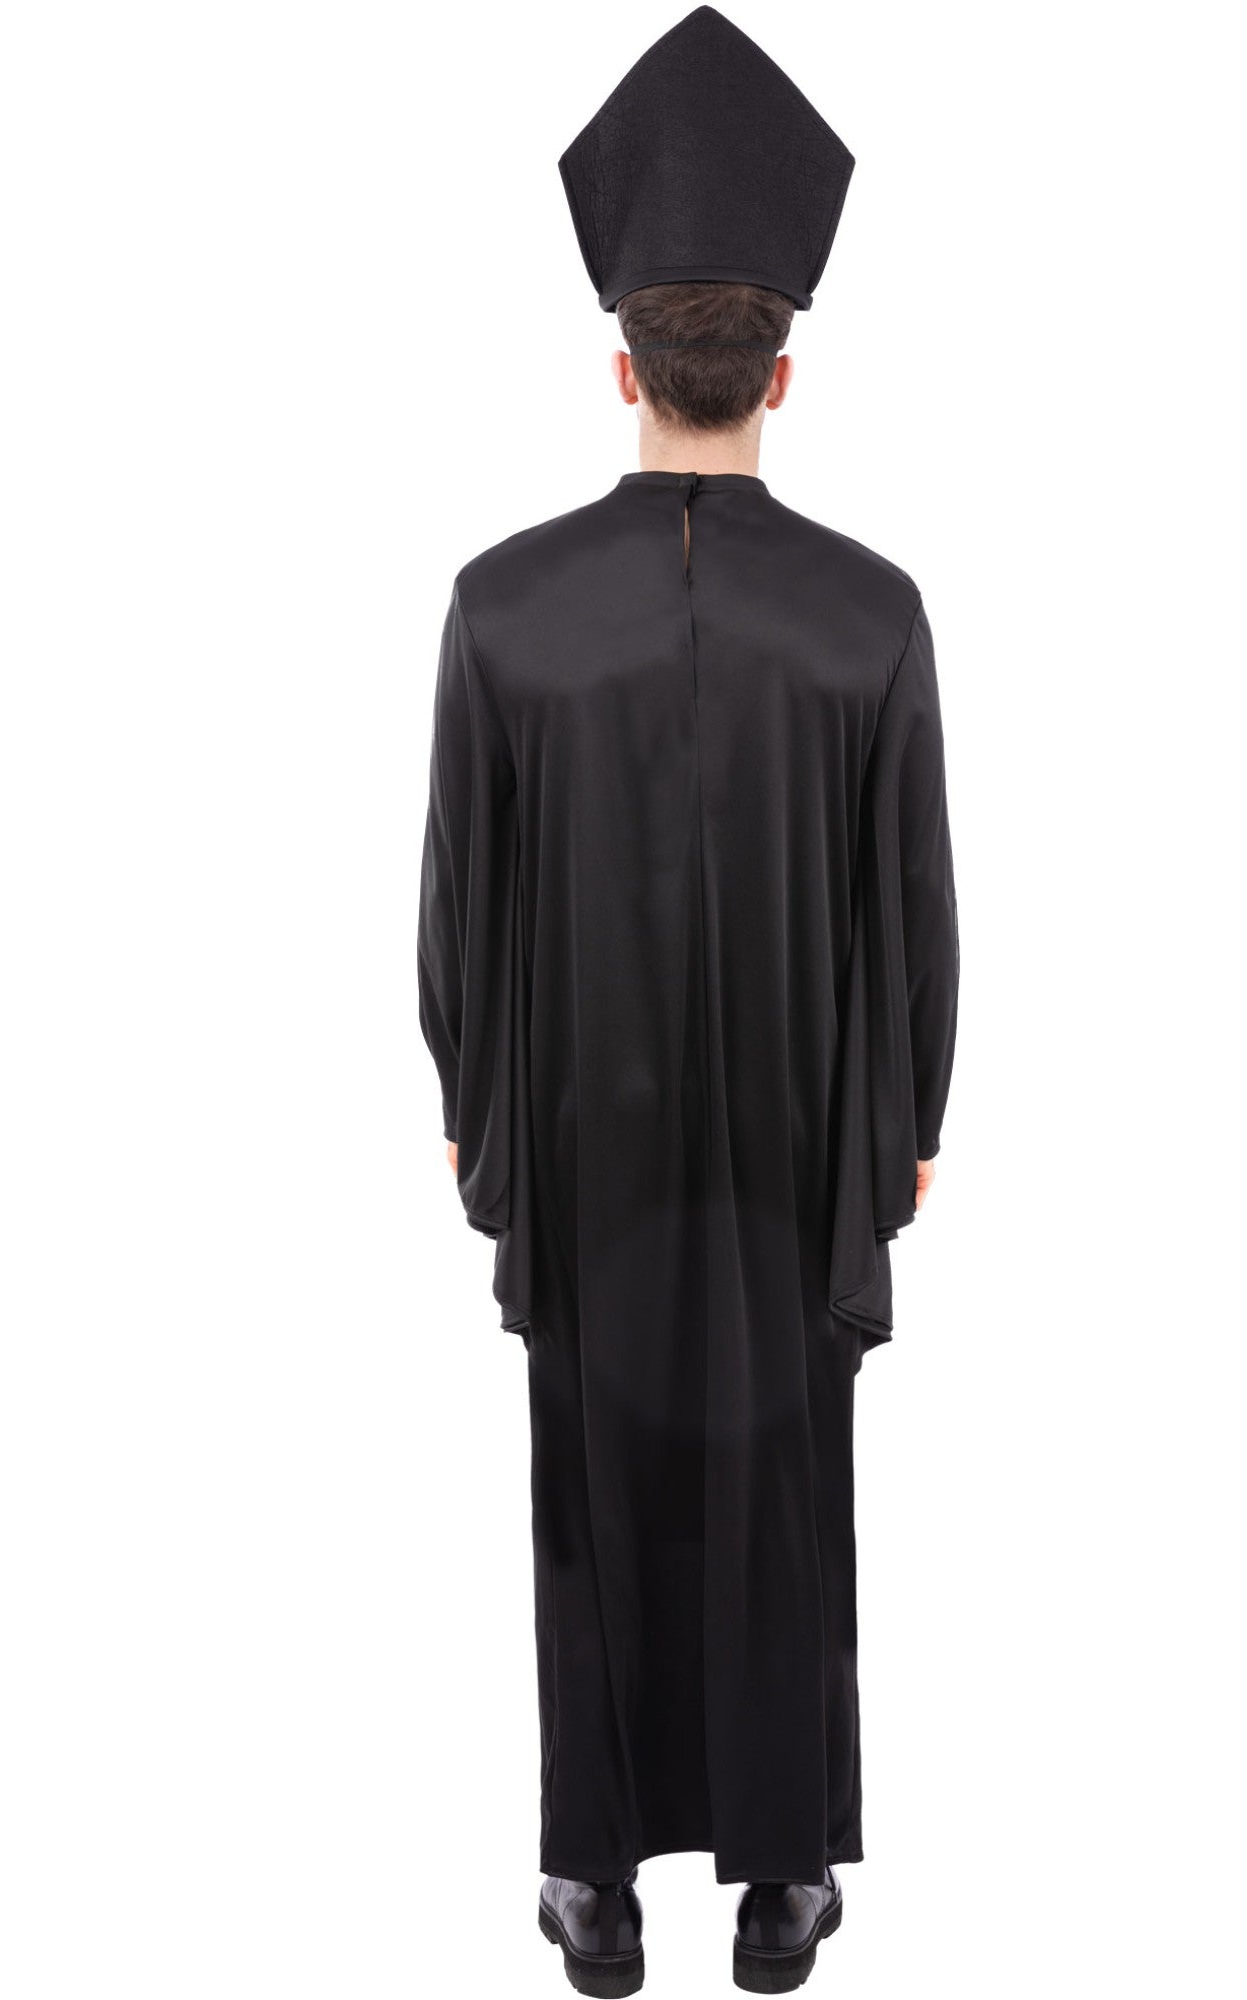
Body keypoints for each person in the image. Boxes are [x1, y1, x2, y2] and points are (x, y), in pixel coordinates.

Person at [418, 9, 959, 1992]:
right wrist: (903, 1130)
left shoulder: (502, 608)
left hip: (580, 1134)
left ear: (622, 363)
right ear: (783, 370)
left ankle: (595, 1880)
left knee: (589, 1490)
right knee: (790, 1484)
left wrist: (478, 1120)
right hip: (801, 1139)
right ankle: (784, 1877)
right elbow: (916, 911)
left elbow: (457, 907)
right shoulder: (873, 614)